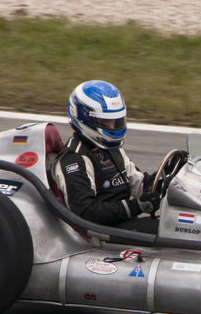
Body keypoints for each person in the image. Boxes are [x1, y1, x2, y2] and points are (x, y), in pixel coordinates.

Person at [51, 80, 162, 230]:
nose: (112, 127)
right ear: (84, 118)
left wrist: (169, 180)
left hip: (122, 224)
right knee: (171, 232)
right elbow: (86, 211)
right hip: (101, 234)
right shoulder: (73, 158)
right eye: (104, 122)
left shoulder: (111, 149)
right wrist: (136, 206)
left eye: (115, 121)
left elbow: (140, 185)